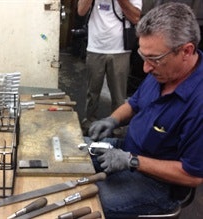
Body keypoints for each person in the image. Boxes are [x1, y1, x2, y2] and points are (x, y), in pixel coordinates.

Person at [86, 2, 203, 218]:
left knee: (85, 200)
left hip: (159, 185)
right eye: (144, 56)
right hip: (127, 149)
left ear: (186, 51)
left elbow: (193, 175)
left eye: (154, 59)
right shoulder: (163, 70)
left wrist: (131, 161)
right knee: (72, 152)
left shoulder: (199, 102)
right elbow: (134, 103)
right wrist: (112, 120)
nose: (146, 68)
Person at [77, 0, 142, 135]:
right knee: (92, 92)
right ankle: (89, 124)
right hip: (95, 47)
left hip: (120, 49)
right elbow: (81, 11)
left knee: (118, 94)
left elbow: (136, 17)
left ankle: (117, 129)